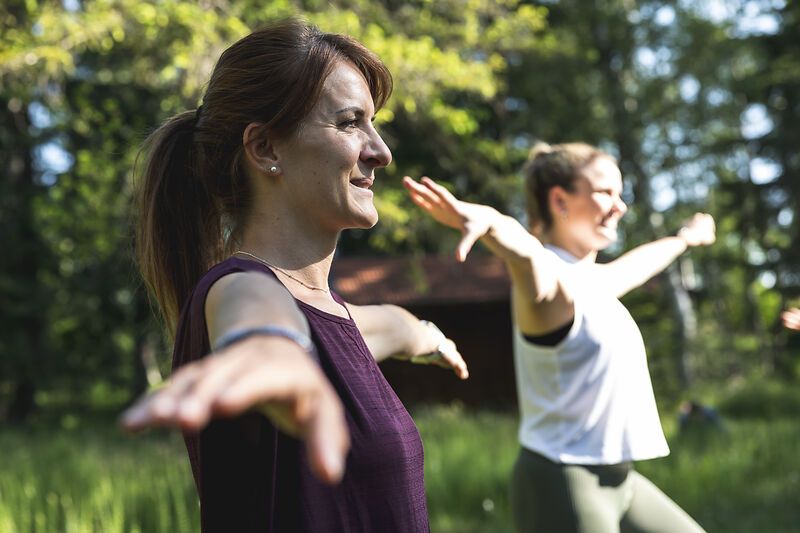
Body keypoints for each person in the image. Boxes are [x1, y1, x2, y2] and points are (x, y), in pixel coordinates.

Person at [121, 19, 468, 533]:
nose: (381, 151)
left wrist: (431, 339)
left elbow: (391, 325)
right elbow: (259, 318)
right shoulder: (240, 287)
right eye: (350, 122)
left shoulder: (332, 317)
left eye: (374, 123)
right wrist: (270, 346)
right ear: (265, 149)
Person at [403, 141, 714, 533]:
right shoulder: (547, 285)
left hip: (621, 480)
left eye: (621, 194)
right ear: (560, 201)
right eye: (605, 193)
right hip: (563, 481)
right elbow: (525, 254)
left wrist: (684, 238)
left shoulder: (596, 282)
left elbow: (637, 264)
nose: (620, 206)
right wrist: (491, 221)